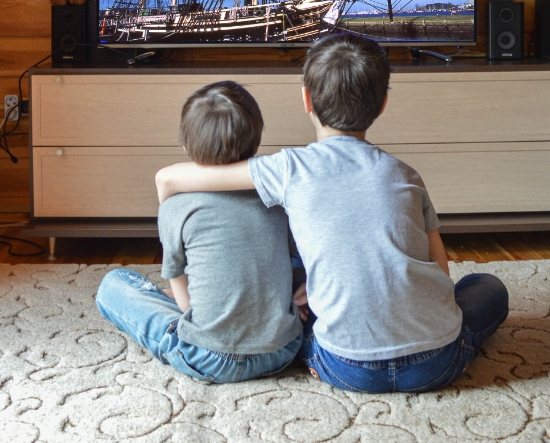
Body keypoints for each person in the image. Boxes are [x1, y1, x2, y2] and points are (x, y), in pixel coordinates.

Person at [154, 33, 509, 393]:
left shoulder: (289, 168)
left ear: (306, 99)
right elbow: (441, 271)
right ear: (383, 103)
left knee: (290, 283)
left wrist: (165, 185)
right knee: (487, 286)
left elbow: (194, 175)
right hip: (436, 362)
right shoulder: (406, 174)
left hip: (345, 367)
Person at [96, 81, 303, 383]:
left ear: (185, 144)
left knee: (113, 285)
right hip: (282, 350)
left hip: (209, 358)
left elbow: (183, 298)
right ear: (256, 142)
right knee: (289, 264)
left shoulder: (175, 206)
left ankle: (207, 304)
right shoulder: (276, 199)